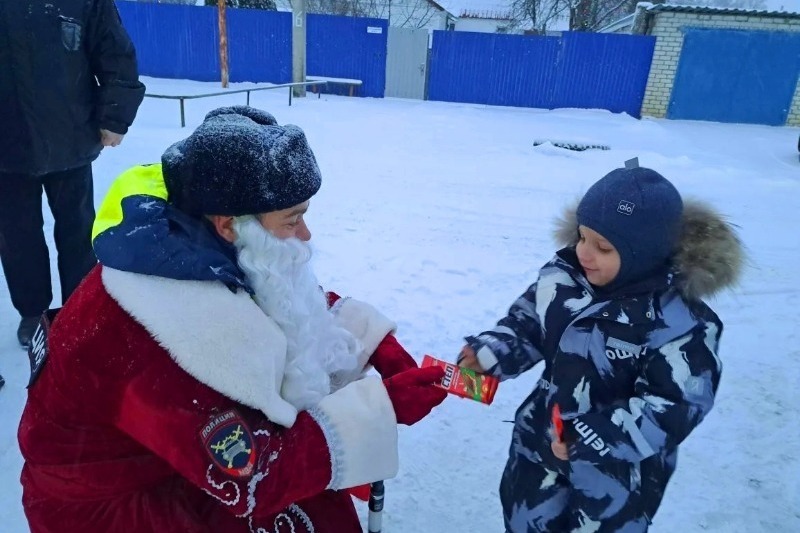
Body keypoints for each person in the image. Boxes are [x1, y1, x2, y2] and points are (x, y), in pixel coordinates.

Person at [18, 106, 447, 533]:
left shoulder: (190, 230)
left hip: (156, 459)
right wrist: (380, 409)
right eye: (293, 219)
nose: (306, 235)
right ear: (229, 225)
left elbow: (275, 290)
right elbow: (256, 477)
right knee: (301, 510)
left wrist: (364, 337)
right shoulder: (164, 329)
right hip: (103, 507)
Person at [458, 160, 743, 532]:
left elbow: (677, 404)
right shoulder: (565, 281)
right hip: (538, 449)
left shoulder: (678, 324)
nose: (583, 253)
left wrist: (595, 437)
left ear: (646, 253)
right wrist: (491, 352)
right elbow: (528, 323)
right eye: (581, 237)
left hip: (617, 480)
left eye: (603, 247)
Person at [0, 0, 145, 347]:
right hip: (6, 145)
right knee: (18, 236)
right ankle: (33, 313)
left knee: (78, 230)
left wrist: (114, 116)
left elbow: (114, 51)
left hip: (70, 136)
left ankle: (78, 308)